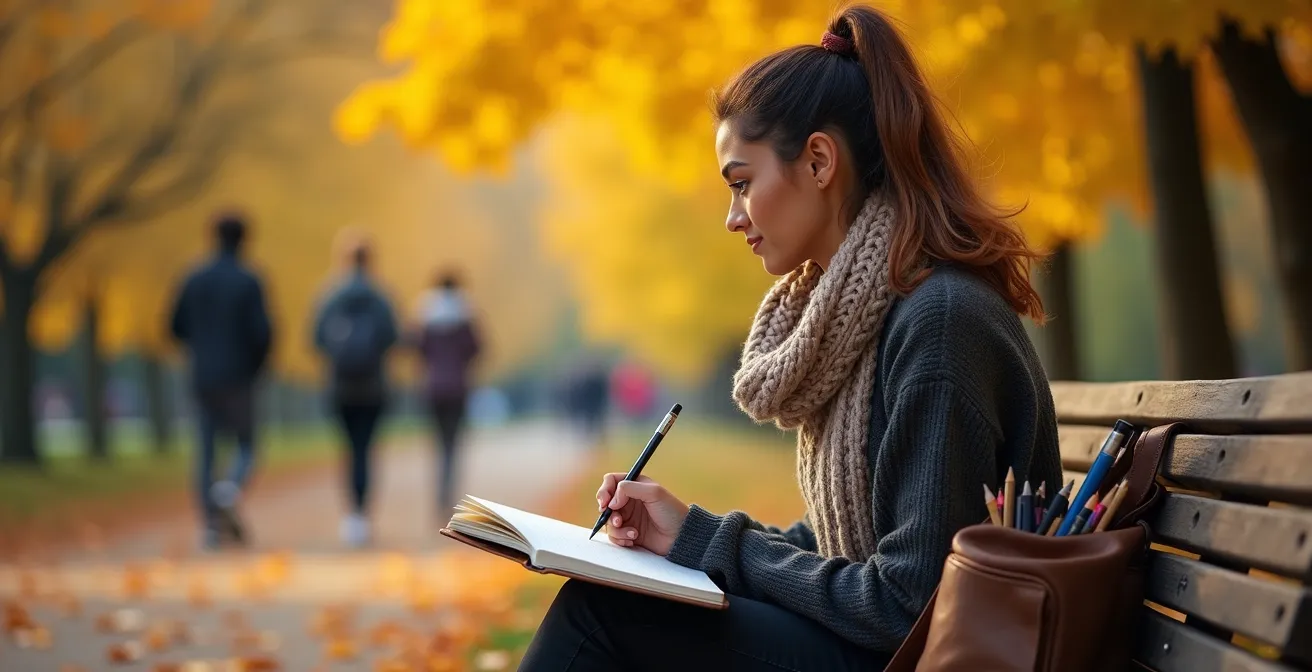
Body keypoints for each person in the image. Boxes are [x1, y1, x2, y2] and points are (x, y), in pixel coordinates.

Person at [520, 5, 1064, 670]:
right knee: (614, 601)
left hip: (913, 655)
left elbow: (906, 604)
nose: (731, 217)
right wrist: (687, 538)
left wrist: (709, 543)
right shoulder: (862, 314)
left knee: (600, 613)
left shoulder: (937, 322)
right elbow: (848, 541)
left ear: (817, 161)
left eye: (742, 184)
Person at [169, 212, 273, 551]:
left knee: (206, 449)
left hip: (203, 375)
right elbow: (263, 333)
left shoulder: (193, 277)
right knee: (246, 444)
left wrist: (200, 347)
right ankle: (229, 488)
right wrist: (255, 367)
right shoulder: (249, 279)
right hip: (239, 377)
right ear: (244, 239)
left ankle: (211, 527)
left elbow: (174, 326)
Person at [313, 232, 398, 548]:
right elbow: (392, 337)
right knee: (366, 449)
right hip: (373, 387)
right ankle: (362, 514)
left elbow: (317, 339)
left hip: (341, 387)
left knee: (349, 449)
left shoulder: (330, 295)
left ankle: (351, 515)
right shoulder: (380, 296)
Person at [414, 270, 482, 521]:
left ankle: (439, 497)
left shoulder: (425, 315)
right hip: (458, 388)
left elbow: (417, 347)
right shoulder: (466, 316)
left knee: (437, 444)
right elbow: (477, 348)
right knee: (453, 445)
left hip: (432, 389)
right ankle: (449, 496)